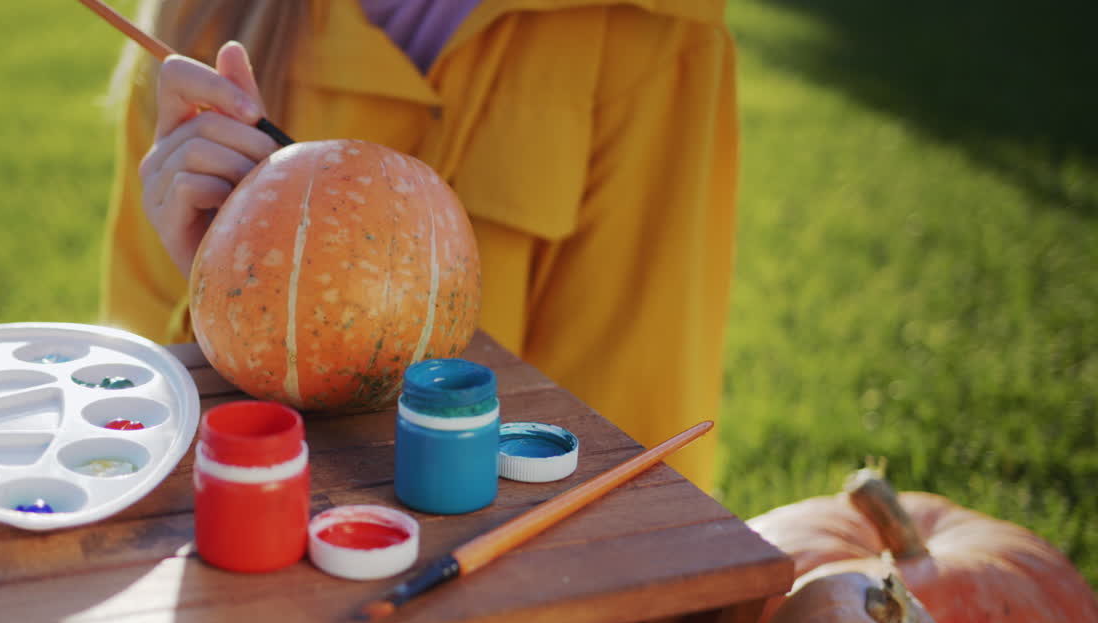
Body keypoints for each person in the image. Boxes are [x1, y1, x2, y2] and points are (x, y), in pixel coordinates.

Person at [102, 0, 739, 495]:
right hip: (239, 531)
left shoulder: (654, 33)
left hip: (499, 577)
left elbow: (625, 447)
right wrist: (227, 290)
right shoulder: (206, 21)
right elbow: (130, 414)